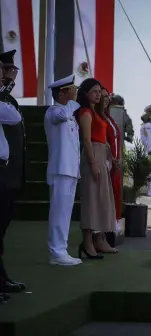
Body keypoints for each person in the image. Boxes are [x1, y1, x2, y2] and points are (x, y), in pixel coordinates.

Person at [76, 78, 116, 259]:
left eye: (100, 91)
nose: (98, 94)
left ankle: (100, 239)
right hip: (92, 155)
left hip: (102, 155)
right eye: (94, 91)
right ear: (85, 93)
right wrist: (93, 163)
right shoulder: (85, 112)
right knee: (91, 199)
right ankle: (87, 241)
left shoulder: (98, 113)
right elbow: (86, 139)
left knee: (102, 199)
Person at [45, 74, 82, 266]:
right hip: (60, 169)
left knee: (65, 213)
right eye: (72, 90)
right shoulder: (54, 111)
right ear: (62, 93)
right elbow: (62, 115)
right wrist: (73, 101)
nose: (76, 93)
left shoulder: (68, 113)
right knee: (59, 212)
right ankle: (56, 252)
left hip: (69, 170)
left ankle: (62, 249)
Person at [0, 50, 27, 301]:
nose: (10, 76)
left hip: (10, 172)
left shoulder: (9, 101)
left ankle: (2, 276)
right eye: (8, 71)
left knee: (3, 228)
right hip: (3, 173)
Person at [103, 88, 123, 231]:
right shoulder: (98, 117)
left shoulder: (109, 117)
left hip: (115, 161)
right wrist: (111, 159)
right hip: (106, 161)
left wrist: (119, 157)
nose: (105, 99)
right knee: (106, 195)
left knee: (116, 192)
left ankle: (113, 224)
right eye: (101, 96)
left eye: (106, 96)